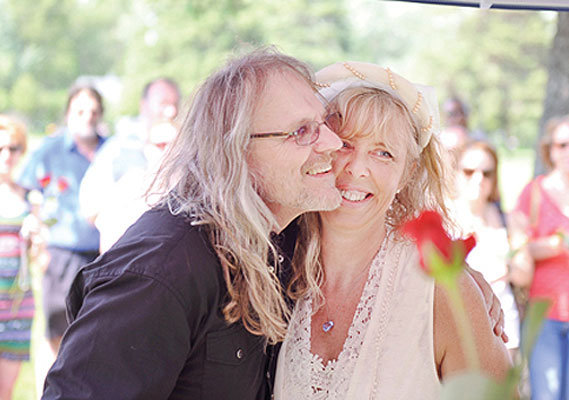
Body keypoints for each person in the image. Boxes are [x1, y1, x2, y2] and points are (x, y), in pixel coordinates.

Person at [42, 48, 505, 400]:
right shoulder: (172, 267)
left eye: (383, 153)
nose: (334, 150)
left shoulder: (284, 249)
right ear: (239, 148)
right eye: (306, 132)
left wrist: (462, 283)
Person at [274, 62, 511, 399]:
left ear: (407, 174)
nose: (357, 168)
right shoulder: (276, 266)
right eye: (345, 144)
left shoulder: (442, 289)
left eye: (382, 153)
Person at [510, 114, 569, 400]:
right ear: (550, 150)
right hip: (542, 313)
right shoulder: (533, 193)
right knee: (545, 395)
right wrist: (555, 245)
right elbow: (518, 249)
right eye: (562, 145)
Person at [17, 85, 106, 357]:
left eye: (93, 111)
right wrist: (37, 245)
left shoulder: (112, 151)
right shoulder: (49, 151)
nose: (87, 116)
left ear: (101, 114)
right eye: (80, 110)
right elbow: (25, 193)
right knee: (58, 336)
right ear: (68, 113)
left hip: (105, 256)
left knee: (100, 335)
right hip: (60, 257)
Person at [79, 77, 180, 247]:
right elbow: (90, 205)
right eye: (163, 103)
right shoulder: (118, 150)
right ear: (144, 106)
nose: (171, 111)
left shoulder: (188, 153)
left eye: (175, 104)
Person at [451, 140, 521, 360]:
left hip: (504, 328)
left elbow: (523, 273)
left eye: (487, 172)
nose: (478, 179)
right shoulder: (444, 218)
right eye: (469, 171)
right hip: (456, 328)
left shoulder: (508, 219)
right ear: (456, 173)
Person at [0, 115, 35, 400]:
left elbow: (40, 260)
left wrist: (35, 237)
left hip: (17, 305)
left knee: (5, 390)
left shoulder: (30, 198)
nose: (6, 155)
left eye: (13, 148)